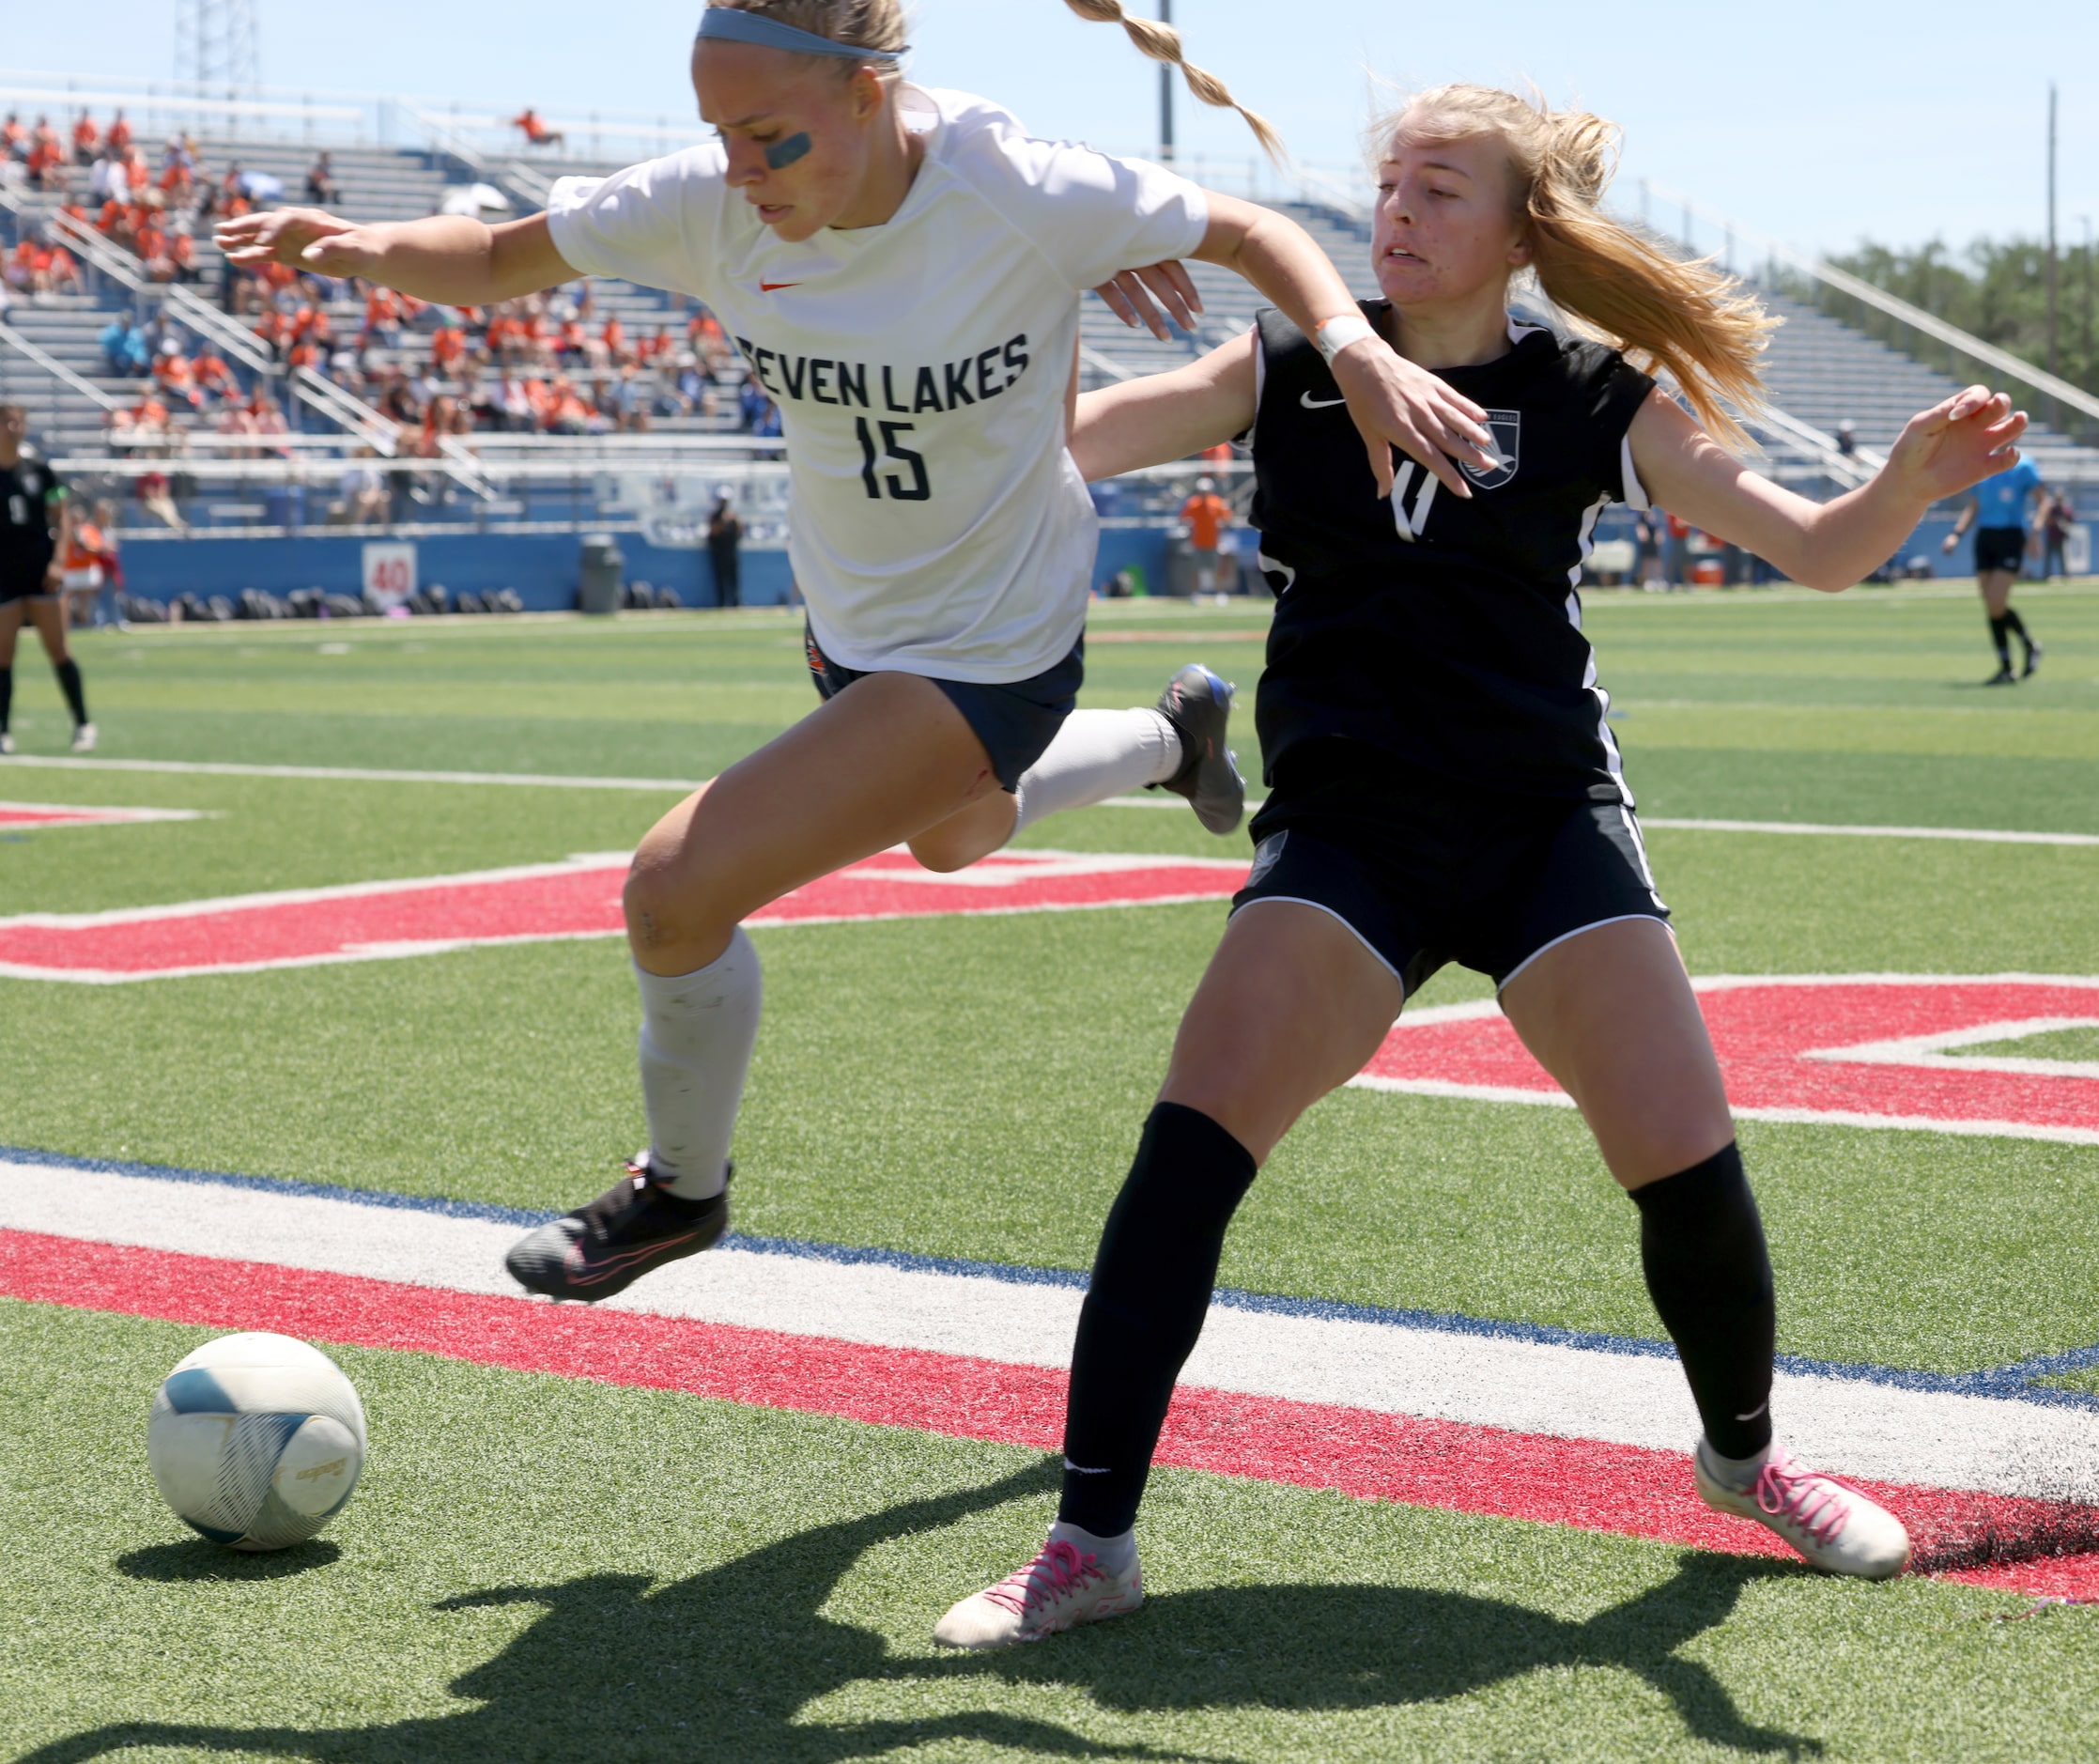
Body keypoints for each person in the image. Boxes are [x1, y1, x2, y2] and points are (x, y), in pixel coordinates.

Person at [933, 80, 2034, 1650]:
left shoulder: (1596, 389)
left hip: (1539, 820)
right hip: (1349, 831)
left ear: (1524, 231)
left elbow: (1817, 545)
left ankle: (1745, 1458)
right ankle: (1091, 1537)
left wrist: (1903, 491)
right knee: (1187, 1152)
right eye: (1391, 184)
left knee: (1687, 1156)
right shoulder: (1293, 361)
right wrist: (1032, 280)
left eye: (1442, 189)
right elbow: (1061, 443)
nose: (1398, 212)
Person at [217, 0, 1498, 1304]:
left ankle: (679, 1189)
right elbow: (495, 258)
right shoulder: (712, 203)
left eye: (768, 139)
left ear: (872, 96)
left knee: (673, 889)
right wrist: (359, 246)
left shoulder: (1015, 186)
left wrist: (1350, 353)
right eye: (718, 135)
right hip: (849, 628)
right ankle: (1173, 735)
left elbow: (1251, 229)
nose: (736, 171)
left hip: (998, 644)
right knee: (953, 837)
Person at [0, 404, 95, 753]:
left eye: (19, 422)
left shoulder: (39, 471)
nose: (15, 428)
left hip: (42, 574)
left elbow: (63, 516)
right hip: (4, 576)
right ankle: (3, 732)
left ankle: (83, 723)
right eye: (8, 422)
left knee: (58, 650)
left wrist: (59, 561)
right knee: (3, 656)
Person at [1942, 453, 2043, 681]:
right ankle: (2007, 667)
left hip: (2010, 537)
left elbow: (2042, 500)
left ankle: (2028, 645)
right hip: (1985, 538)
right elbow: (1974, 505)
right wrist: (1956, 534)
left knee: (1996, 602)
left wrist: (2035, 533)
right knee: (1991, 605)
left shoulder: (2023, 465)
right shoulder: (1981, 462)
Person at [1179, 472, 1230, 594]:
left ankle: (1220, 593)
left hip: (1214, 541)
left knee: (1217, 569)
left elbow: (1227, 518)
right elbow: (1183, 518)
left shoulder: (1217, 503)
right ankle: (1195, 593)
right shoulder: (1193, 503)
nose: (1204, 493)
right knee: (1195, 569)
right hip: (1197, 541)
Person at [707, 487, 744, 608]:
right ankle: (722, 603)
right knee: (720, 580)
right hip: (719, 553)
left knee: (734, 579)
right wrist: (722, 522)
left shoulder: (732, 515)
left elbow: (739, 532)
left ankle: (736, 602)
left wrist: (733, 520)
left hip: (731, 552)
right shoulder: (715, 516)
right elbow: (713, 532)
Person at [2040, 487, 2074, 580]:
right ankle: (2045, 575)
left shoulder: (2066, 510)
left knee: (2063, 559)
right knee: (2048, 558)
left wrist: (2063, 524)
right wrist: (2056, 521)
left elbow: (2070, 521)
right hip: (2052, 536)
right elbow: (2047, 520)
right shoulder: (2052, 509)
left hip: (2061, 537)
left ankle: (2065, 575)